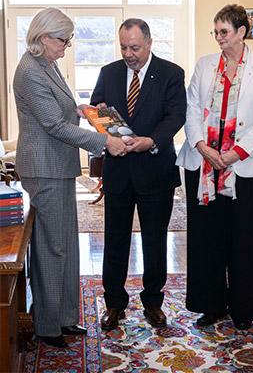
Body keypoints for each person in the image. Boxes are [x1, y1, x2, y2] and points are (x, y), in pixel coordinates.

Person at [13, 8, 126, 348]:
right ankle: (48, 327)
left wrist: (83, 111)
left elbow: (60, 111)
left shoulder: (47, 64)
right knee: (51, 248)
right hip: (43, 168)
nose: (68, 45)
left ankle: (65, 318)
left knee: (65, 246)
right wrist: (105, 141)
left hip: (57, 167)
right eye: (63, 39)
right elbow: (52, 126)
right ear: (44, 38)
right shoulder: (30, 71)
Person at [176, 4, 253, 330]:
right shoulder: (205, 65)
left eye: (224, 32)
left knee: (244, 239)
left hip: (245, 169)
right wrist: (202, 146)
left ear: (241, 32)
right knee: (207, 239)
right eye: (215, 32)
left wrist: (236, 153)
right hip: (204, 167)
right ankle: (211, 304)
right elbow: (191, 108)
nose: (218, 38)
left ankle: (243, 309)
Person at [91, 18, 186, 330]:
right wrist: (106, 129)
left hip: (155, 170)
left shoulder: (171, 73)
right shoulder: (109, 72)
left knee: (155, 241)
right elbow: (97, 107)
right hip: (119, 170)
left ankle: (153, 302)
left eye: (134, 47)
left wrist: (152, 140)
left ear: (149, 43)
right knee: (115, 240)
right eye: (123, 47)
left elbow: (176, 115)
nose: (128, 53)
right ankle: (114, 304)